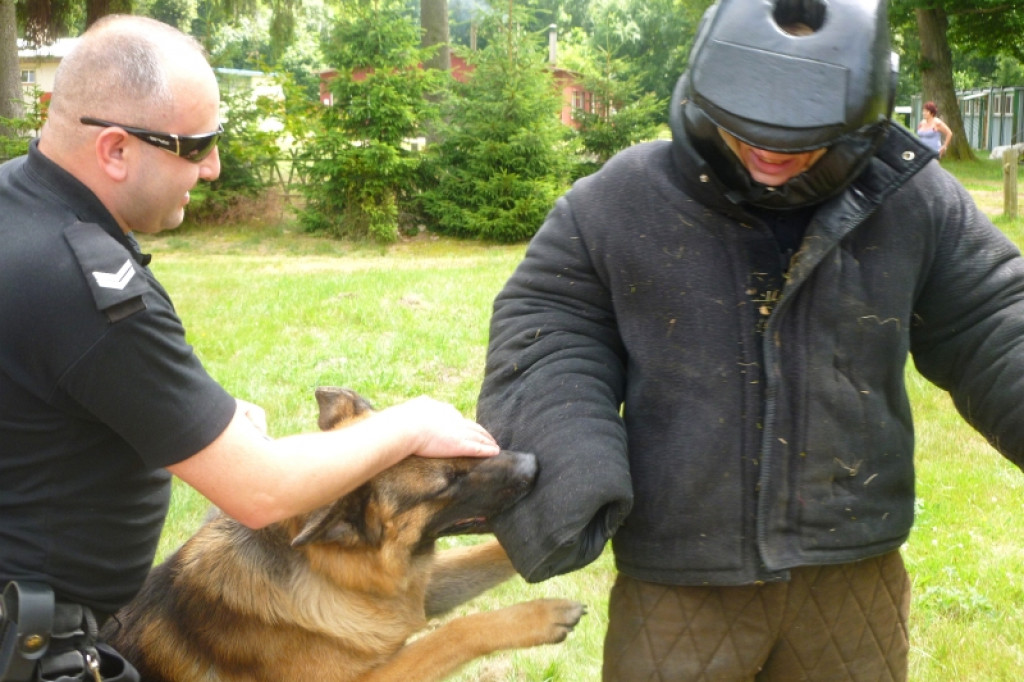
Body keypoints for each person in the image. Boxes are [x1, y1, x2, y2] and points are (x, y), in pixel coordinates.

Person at [476, 0, 1024, 680]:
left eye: (805, 137)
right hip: (681, 580)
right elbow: (549, 328)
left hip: (852, 572)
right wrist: (567, 464)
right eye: (751, 129)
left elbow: (995, 321)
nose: (772, 153)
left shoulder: (910, 201)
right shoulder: (618, 202)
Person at [0, 15, 499, 681]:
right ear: (116, 149)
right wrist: (417, 419)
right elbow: (260, 493)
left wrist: (209, 421)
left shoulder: (18, 211)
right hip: (28, 645)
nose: (212, 168)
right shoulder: (86, 286)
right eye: (195, 144)